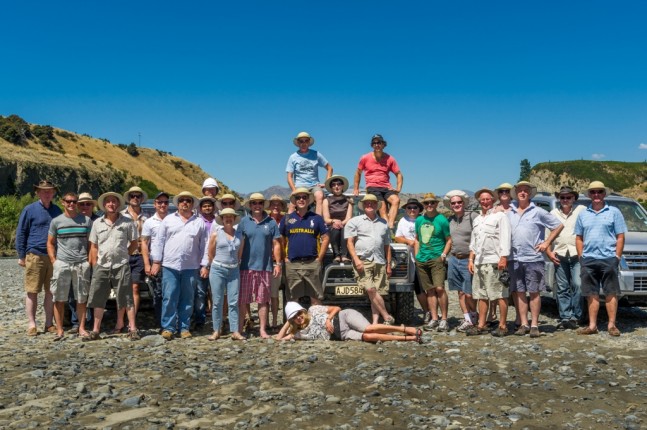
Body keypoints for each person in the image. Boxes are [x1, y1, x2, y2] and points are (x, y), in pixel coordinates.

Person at [150, 191, 210, 340]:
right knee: (169, 296)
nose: (185, 203)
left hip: (191, 267)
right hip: (170, 265)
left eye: (188, 200)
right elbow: (159, 241)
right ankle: (168, 327)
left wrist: (205, 265)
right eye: (182, 200)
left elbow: (205, 245)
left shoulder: (199, 222)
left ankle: (184, 327)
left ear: (192, 204)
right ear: (177, 204)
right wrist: (156, 261)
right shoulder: (168, 220)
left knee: (188, 298)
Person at [507, 181, 563, 337]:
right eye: (520, 190)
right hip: (514, 258)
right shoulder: (509, 212)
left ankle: (535, 325)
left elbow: (558, 226)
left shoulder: (538, 211)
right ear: (516, 193)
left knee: (534, 292)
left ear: (530, 194)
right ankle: (524, 323)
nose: (523, 193)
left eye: (526, 191)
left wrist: (546, 243)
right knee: (519, 292)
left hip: (533, 257)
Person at [575, 181, 627, 337]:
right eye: (593, 192)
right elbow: (578, 237)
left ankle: (611, 325)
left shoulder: (614, 212)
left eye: (599, 192)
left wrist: (617, 257)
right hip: (588, 259)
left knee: (611, 292)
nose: (596, 195)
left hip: (609, 258)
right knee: (591, 293)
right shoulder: (583, 214)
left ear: (604, 194)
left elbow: (620, 236)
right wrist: (581, 257)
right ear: (589, 195)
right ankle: (592, 326)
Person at [85, 192, 139, 341]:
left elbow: (134, 242)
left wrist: (125, 255)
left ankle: (132, 328)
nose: (111, 204)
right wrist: (95, 264)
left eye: (114, 201)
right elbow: (93, 246)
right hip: (102, 265)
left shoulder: (128, 222)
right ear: (104, 205)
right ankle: (95, 330)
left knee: (126, 297)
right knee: (98, 298)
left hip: (121, 265)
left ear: (118, 204)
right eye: (108, 202)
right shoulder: (97, 223)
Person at [16, 180, 63, 336]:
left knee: (51, 292)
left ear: (54, 193)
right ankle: (32, 324)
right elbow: (21, 232)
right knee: (32, 291)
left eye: (50, 191)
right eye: (44, 191)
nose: (47, 193)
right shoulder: (29, 210)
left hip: (53, 257)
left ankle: (49, 323)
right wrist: (21, 256)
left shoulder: (57, 211)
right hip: (34, 255)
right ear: (37, 192)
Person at [46, 191, 93, 340]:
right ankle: (60, 330)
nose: (71, 204)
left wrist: (89, 262)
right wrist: (54, 261)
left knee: (81, 298)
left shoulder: (86, 221)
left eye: (74, 201)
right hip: (62, 263)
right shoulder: (56, 221)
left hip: (81, 264)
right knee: (59, 298)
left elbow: (91, 243)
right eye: (68, 201)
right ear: (63, 202)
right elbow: (50, 242)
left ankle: (81, 328)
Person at [467, 188, 511, 337]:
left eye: (487, 199)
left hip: (494, 260)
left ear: (493, 200)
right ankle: (481, 324)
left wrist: (503, 257)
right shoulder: (478, 219)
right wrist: (471, 259)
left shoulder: (500, 216)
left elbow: (505, 237)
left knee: (500, 294)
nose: (485, 202)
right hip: (479, 261)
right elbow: (474, 241)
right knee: (481, 295)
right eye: (482, 200)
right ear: (479, 202)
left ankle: (503, 325)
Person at [345, 194, 395, 325]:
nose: (369, 205)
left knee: (376, 293)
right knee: (370, 289)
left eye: (372, 203)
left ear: (376, 205)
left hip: (379, 260)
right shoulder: (355, 221)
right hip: (363, 260)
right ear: (362, 205)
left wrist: (388, 264)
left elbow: (387, 246)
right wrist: (356, 259)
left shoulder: (384, 223)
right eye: (367, 203)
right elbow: (350, 242)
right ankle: (387, 316)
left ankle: (375, 323)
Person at [237, 193, 282, 338]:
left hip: (265, 267)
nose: (257, 205)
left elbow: (276, 244)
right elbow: (238, 244)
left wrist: (277, 263)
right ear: (250, 205)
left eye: (260, 203)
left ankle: (262, 329)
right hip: (245, 267)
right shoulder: (244, 222)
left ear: (264, 205)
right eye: (254, 203)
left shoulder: (271, 222)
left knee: (263, 300)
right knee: (243, 300)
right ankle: (239, 328)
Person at [275, 302, 422, 343]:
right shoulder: (298, 333)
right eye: (294, 317)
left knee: (368, 328)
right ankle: (408, 338)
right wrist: (288, 323)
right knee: (368, 337)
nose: (298, 318)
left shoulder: (313, 310)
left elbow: (337, 308)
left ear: (303, 311)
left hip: (343, 317)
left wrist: (327, 319)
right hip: (341, 335)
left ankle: (405, 329)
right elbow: (279, 338)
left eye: (299, 313)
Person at [280, 188, 330, 306]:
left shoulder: (316, 218)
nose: (301, 200)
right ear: (295, 201)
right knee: (293, 300)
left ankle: (316, 324)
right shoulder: (287, 219)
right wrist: (284, 258)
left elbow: (326, 238)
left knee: (316, 298)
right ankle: (294, 325)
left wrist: (320, 258)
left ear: (309, 200)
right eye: (298, 197)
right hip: (292, 264)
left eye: (304, 197)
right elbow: (279, 239)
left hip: (312, 263)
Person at [546, 186, 585, 330]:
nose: (565, 200)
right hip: (559, 253)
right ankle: (565, 317)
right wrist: (549, 253)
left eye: (568, 197)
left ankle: (576, 316)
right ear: (558, 199)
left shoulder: (581, 211)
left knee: (578, 285)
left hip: (577, 253)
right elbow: (547, 234)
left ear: (574, 198)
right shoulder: (553, 213)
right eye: (562, 197)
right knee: (562, 287)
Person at [207, 208, 246, 340]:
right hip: (218, 269)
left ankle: (235, 331)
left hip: (234, 270)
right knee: (217, 301)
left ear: (234, 219)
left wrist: (235, 264)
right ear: (222, 220)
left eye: (231, 217)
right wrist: (215, 265)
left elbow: (239, 254)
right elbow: (210, 253)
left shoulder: (239, 235)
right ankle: (216, 330)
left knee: (233, 301)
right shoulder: (216, 234)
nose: (228, 219)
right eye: (225, 217)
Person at [415, 193, 451, 332]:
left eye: (431, 203)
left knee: (440, 288)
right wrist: (417, 255)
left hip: (436, 258)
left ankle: (444, 319)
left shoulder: (442, 220)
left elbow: (448, 239)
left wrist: (443, 254)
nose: (429, 205)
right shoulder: (419, 220)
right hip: (422, 259)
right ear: (423, 205)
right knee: (429, 290)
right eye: (426, 203)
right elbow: (417, 238)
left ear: (436, 204)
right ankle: (434, 318)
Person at [444, 190, 478, 332]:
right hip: (453, 259)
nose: (456, 204)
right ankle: (467, 319)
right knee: (460, 292)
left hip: (468, 259)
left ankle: (475, 315)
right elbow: (448, 239)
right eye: (453, 203)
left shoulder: (473, 216)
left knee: (470, 292)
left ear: (464, 203)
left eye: (459, 202)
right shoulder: (450, 220)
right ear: (450, 205)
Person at [116, 186, 148, 333]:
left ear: (141, 199)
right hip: (123, 255)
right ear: (128, 198)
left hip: (140, 256)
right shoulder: (120, 215)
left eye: (138, 196)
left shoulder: (147, 217)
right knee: (122, 288)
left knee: (135, 287)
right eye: (132, 196)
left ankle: (131, 321)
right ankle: (120, 321)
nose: (135, 198)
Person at [353, 134, 403, 229]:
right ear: (372, 145)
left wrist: (398, 188)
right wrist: (356, 188)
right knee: (383, 207)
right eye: (374, 143)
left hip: (386, 187)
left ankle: (390, 225)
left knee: (396, 200)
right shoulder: (365, 157)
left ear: (383, 144)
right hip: (373, 186)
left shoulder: (390, 159)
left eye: (379, 142)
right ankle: (387, 229)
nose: (377, 145)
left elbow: (399, 174)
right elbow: (358, 173)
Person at [394, 198, 429, 321]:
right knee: (418, 287)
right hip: (410, 260)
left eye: (415, 207)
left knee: (429, 287)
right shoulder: (403, 221)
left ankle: (432, 313)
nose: (412, 210)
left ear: (419, 209)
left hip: (425, 257)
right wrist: (409, 241)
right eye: (409, 207)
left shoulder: (424, 220)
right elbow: (398, 236)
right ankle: (427, 311)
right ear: (406, 209)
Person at [141, 192, 171, 328]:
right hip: (156, 263)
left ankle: (171, 323)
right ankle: (161, 323)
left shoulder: (174, 219)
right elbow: (144, 243)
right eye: (160, 202)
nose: (162, 205)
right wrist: (147, 264)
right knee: (158, 294)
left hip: (172, 262)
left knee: (171, 294)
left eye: (165, 202)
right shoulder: (149, 222)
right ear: (155, 204)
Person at [286, 131, 333, 215]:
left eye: (306, 141)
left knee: (319, 195)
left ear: (309, 142)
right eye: (301, 141)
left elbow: (329, 168)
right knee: (292, 203)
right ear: (298, 143)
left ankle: (318, 221)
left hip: (314, 185)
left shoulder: (316, 154)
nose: (304, 143)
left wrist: (326, 183)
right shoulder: (293, 157)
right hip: (300, 186)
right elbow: (289, 176)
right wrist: (294, 190)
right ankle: (287, 225)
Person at [193, 196, 217, 331]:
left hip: (216, 261)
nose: (207, 208)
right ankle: (200, 320)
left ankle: (217, 320)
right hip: (200, 261)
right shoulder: (196, 222)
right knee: (200, 293)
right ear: (200, 208)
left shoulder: (218, 221)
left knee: (216, 293)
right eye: (204, 206)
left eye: (209, 205)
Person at [322, 175, 353, 263]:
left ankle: (344, 255)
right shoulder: (326, 200)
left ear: (342, 186)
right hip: (331, 225)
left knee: (345, 229)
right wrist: (334, 221)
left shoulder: (349, 200)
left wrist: (341, 223)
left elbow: (349, 217)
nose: (336, 186)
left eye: (339, 184)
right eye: (333, 184)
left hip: (346, 224)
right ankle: (336, 254)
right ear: (331, 187)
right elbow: (326, 219)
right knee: (335, 229)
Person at [268, 194, 287, 329]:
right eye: (273, 204)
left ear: (282, 207)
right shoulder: (265, 220)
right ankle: (266, 321)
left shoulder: (286, 220)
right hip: (265, 261)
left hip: (282, 260)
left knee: (276, 292)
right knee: (264, 294)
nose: (276, 206)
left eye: (278, 204)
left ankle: (275, 321)